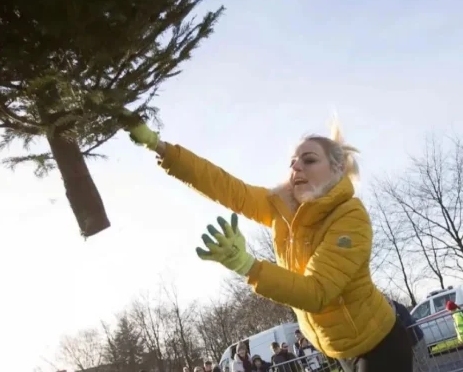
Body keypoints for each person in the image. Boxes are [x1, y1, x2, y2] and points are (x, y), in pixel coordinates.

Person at [127, 121, 411, 371]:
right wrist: (160, 147)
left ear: (336, 168)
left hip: (380, 343)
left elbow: (318, 292)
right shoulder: (282, 209)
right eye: (293, 162)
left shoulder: (350, 217)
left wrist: (247, 266)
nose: (296, 166)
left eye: (309, 160)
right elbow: (227, 188)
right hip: (340, 348)